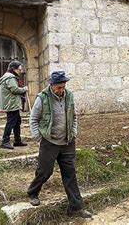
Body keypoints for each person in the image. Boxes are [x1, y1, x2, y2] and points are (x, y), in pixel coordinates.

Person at [27, 71, 92, 219]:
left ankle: (76, 208)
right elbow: (33, 119)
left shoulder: (69, 95)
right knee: (45, 171)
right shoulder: (42, 98)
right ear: (51, 85)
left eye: (63, 87)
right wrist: (38, 138)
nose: (61, 90)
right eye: (59, 87)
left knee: (70, 174)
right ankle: (33, 192)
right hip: (49, 142)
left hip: (67, 142)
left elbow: (73, 116)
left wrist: (74, 132)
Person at [0, 61, 28, 150]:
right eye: (19, 69)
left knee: (17, 122)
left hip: (12, 103)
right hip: (11, 103)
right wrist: (24, 89)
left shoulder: (10, 76)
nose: (20, 71)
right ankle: (5, 141)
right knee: (11, 122)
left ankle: (17, 141)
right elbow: (14, 89)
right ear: (14, 69)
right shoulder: (10, 78)